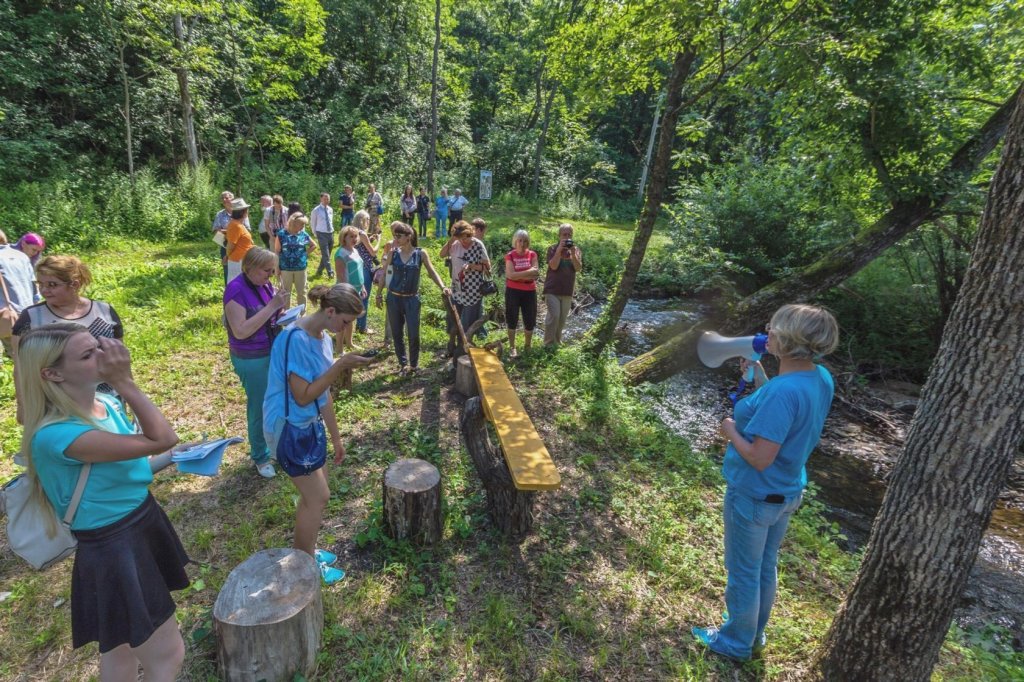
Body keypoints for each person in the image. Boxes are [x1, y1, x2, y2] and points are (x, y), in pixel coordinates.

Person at [19, 323, 188, 681]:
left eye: (98, 346)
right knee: (168, 655)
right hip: (115, 545)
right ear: (52, 374)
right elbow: (161, 438)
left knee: (121, 653)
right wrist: (126, 381)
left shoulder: (104, 404)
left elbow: (129, 466)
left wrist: (175, 457)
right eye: (87, 354)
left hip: (141, 522)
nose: (103, 355)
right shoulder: (58, 435)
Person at [692, 304, 839, 662]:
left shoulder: (783, 392)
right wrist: (759, 377)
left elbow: (759, 457)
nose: (766, 333)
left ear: (787, 341)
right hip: (785, 493)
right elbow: (786, 414)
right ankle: (753, 635)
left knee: (743, 570)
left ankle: (735, 643)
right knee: (763, 566)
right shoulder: (819, 377)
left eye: (772, 330)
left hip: (755, 495)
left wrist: (730, 431)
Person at [263, 284, 372, 584]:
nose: (347, 328)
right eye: (346, 321)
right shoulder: (295, 340)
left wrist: (336, 438)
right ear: (330, 311)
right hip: (289, 429)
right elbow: (302, 395)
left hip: (310, 426)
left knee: (314, 497)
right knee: (318, 496)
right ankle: (304, 564)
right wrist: (340, 367)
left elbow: (322, 395)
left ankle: (306, 550)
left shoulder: (322, 338)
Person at [12, 256, 124, 398]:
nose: (44, 290)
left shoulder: (104, 312)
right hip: (58, 404)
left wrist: (129, 395)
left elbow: (119, 359)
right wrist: (23, 405)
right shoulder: (31, 318)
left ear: (74, 285)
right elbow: (21, 368)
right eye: (40, 284)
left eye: (52, 284)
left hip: (109, 399)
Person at [224, 248, 291, 479]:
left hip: (271, 350)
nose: (270, 275)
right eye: (266, 270)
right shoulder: (235, 290)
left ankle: (276, 445)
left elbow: (267, 317)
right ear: (249, 267)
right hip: (251, 358)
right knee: (260, 406)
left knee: (276, 401)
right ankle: (261, 457)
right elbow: (241, 331)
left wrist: (282, 311)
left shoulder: (263, 285)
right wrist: (272, 306)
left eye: (273, 271)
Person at [375, 222, 450, 375]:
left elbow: (432, 272)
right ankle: (403, 364)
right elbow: (384, 273)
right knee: (397, 333)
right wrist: (378, 293)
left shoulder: (420, 254)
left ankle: (414, 365)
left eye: (399, 236)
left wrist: (443, 287)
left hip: (412, 299)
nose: (395, 239)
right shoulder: (393, 253)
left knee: (414, 333)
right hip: (394, 298)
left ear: (409, 237)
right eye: (395, 235)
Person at [440, 220, 490, 357]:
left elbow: (487, 268)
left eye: (466, 237)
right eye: (461, 238)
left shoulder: (478, 245)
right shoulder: (455, 244)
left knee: (467, 323)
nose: (464, 241)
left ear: (470, 233)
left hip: (473, 291)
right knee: (454, 322)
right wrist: (452, 239)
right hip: (457, 289)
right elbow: (442, 254)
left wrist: (472, 266)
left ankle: (464, 351)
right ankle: (452, 348)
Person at [0, 229, 40, 359]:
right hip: (26, 314)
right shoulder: (21, 256)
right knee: (25, 358)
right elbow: (35, 291)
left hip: (5, 316)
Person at [542, 223, 582, 346]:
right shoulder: (552, 249)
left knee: (562, 319)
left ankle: (557, 342)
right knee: (554, 315)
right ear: (559, 236)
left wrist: (574, 254)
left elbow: (578, 268)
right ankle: (548, 344)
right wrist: (559, 250)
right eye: (564, 234)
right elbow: (553, 266)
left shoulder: (576, 250)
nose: (567, 237)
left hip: (567, 290)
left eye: (569, 234)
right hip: (552, 289)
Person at [504, 229, 539, 358]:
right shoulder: (510, 256)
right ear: (515, 241)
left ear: (528, 242)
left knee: (529, 319)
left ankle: (527, 346)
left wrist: (517, 275)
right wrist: (528, 272)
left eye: (525, 241)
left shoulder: (532, 254)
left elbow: (536, 273)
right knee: (512, 318)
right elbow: (510, 275)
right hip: (513, 291)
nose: (522, 244)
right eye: (520, 240)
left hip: (529, 291)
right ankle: (512, 347)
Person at [333, 227, 367, 352]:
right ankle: (339, 349)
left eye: (356, 236)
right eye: (351, 236)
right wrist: (348, 293)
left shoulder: (355, 250)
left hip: (356, 290)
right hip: (345, 292)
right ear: (344, 238)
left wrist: (362, 286)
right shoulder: (340, 254)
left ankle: (350, 343)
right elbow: (341, 276)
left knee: (351, 318)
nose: (354, 239)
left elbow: (359, 270)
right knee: (342, 320)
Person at [274, 213, 316, 312]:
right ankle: (285, 314)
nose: (303, 227)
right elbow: (277, 251)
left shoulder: (303, 234)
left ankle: (302, 313)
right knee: (285, 292)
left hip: (301, 268)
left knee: (302, 292)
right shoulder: (281, 234)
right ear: (294, 223)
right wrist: (277, 267)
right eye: (301, 224)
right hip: (285, 268)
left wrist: (304, 254)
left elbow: (313, 245)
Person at [351, 210, 378, 335]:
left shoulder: (352, 232)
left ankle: (356, 324)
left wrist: (370, 239)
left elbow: (361, 246)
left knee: (356, 296)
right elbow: (373, 253)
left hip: (355, 267)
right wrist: (379, 240)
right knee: (364, 297)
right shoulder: (362, 233)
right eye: (367, 220)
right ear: (363, 220)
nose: (369, 222)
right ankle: (362, 327)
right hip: (365, 267)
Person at [225, 198, 255, 284]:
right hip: (237, 261)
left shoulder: (238, 224)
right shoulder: (235, 225)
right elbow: (231, 245)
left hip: (243, 260)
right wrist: (227, 256)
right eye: (246, 210)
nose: (247, 212)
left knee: (243, 285)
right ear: (243, 212)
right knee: (236, 284)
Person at [310, 193, 335, 279]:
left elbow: (331, 221)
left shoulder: (330, 209)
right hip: (321, 233)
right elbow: (313, 223)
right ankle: (330, 272)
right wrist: (315, 234)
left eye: (328, 199)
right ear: (321, 199)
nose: (326, 200)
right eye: (325, 199)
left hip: (330, 233)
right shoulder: (316, 210)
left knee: (327, 254)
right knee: (326, 254)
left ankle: (319, 270)